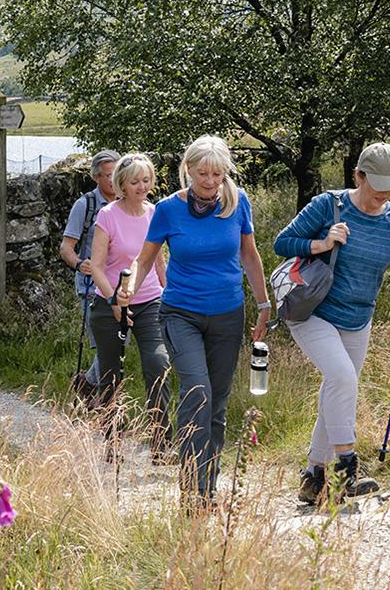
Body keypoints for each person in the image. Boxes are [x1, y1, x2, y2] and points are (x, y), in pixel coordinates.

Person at [274, 142, 390, 504]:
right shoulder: (329, 204)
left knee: (337, 388)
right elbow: (282, 242)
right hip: (313, 310)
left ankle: (313, 477)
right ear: (358, 176)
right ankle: (347, 470)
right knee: (342, 378)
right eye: (377, 185)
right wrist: (322, 243)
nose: (383, 194)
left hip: (358, 318)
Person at [119, 136, 270, 508]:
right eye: (202, 173)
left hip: (227, 314)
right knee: (197, 393)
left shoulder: (237, 202)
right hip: (180, 312)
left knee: (216, 405)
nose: (209, 181)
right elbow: (145, 258)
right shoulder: (169, 210)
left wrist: (264, 303)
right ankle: (190, 491)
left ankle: (206, 489)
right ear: (187, 170)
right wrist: (128, 289)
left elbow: (249, 256)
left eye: (217, 174)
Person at [88, 153, 173, 465]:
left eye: (147, 180)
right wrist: (113, 301)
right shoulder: (108, 216)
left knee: (158, 364)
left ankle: (162, 445)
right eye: (135, 181)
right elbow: (96, 266)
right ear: (120, 184)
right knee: (111, 375)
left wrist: (168, 292)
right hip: (109, 302)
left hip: (150, 301)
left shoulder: (155, 214)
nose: (142, 186)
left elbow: (158, 259)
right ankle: (113, 444)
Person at [59, 150, 120, 401]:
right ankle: (103, 398)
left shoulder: (129, 204)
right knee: (107, 345)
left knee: (117, 344)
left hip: (121, 285)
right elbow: (66, 247)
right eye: (108, 175)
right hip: (91, 286)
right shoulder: (86, 205)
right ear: (96, 177)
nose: (113, 180)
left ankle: (88, 384)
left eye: (117, 174)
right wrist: (79, 264)